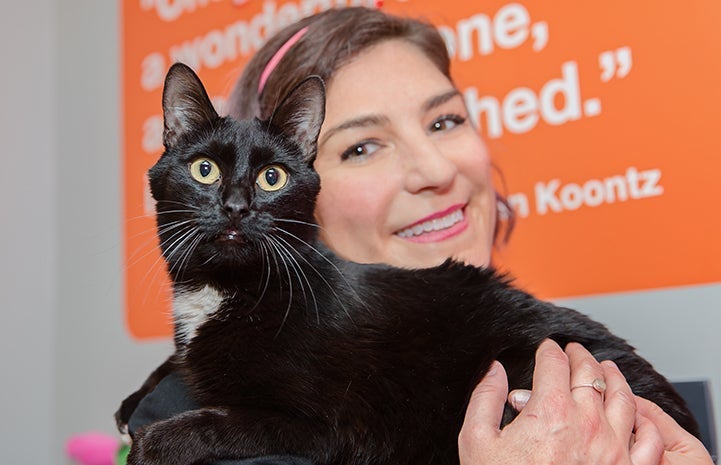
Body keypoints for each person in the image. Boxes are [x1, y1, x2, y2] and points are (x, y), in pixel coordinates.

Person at [128, 6, 713, 465]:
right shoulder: (190, 418)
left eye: (445, 120)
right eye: (361, 147)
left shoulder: (539, 342)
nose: (434, 170)